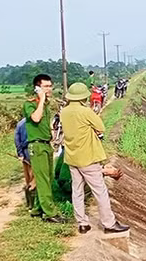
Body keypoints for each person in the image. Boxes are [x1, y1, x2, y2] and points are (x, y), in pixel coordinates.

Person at [60, 82, 129, 234]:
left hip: (72, 157)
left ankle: (82, 223)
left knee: (77, 191)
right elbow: (101, 127)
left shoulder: (64, 112)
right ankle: (109, 223)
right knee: (100, 191)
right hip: (88, 158)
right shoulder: (85, 111)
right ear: (83, 97)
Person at [23, 74, 66, 223]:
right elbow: (35, 118)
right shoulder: (30, 104)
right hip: (36, 145)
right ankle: (50, 213)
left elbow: (46, 123)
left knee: (48, 178)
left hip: (46, 144)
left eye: (50, 86)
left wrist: (52, 134)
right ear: (37, 88)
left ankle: (38, 208)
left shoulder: (46, 105)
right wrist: (41, 99)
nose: (49, 89)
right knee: (42, 180)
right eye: (45, 86)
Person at [14, 117, 36, 210]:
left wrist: (20, 153)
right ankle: (33, 202)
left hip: (24, 151)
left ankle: (29, 203)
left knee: (27, 176)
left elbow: (17, 139)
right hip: (33, 149)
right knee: (34, 176)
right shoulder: (34, 122)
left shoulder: (20, 123)